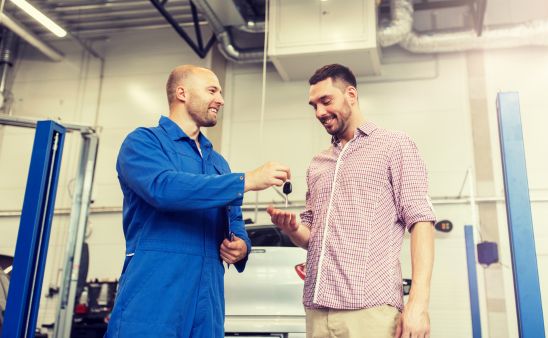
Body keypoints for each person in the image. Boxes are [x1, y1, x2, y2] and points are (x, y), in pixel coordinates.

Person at [105, 65, 290, 338]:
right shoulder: (144, 142)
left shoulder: (218, 163)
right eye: (212, 90)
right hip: (156, 289)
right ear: (182, 93)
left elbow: (234, 220)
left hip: (208, 298)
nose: (221, 100)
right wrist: (245, 181)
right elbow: (164, 189)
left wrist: (241, 246)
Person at [267, 64, 435, 338]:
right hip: (317, 311)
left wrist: (418, 303)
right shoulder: (318, 164)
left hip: (369, 312)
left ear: (351, 95)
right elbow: (310, 238)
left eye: (326, 101)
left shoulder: (394, 146)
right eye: (314, 106)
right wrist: (293, 228)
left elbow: (422, 222)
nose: (319, 112)